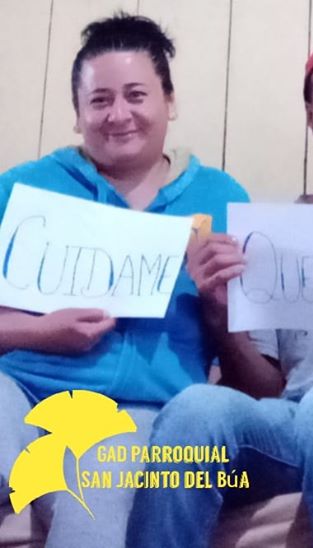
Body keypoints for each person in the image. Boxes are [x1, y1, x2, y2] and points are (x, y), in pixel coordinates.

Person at [127, 34, 313, 548]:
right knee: (195, 408)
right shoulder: (274, 231)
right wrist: (222, 316)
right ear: (311, 116)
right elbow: (265, 388)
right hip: (292, 416)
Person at [0, 13, 248, 548]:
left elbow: (254, 371)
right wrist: (41, 332)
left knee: (95, 516)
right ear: (77, 114)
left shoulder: (222, 199)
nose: (118, 115)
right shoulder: (22, 190)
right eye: (99, 100)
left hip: (137, 412)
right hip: (15, 387)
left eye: (136, 95)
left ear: (169, 101)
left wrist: (219, 305)